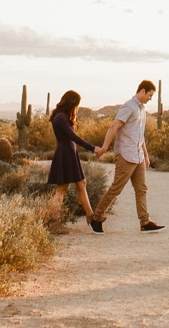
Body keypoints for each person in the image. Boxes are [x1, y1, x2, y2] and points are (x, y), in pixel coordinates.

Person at [93, 79, 165, 233]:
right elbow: (114, 126)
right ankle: (96, 218)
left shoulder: (141, 110)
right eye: (150, 95)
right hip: (126, 154)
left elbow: (140, 135)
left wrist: (146, 155)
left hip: (138, 155)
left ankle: (145, 222)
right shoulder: (129, 107)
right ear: (142, 91)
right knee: (116, 189)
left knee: (141, 189)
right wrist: (105, 147)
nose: (150, 99)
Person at [46, 89, 101, 231]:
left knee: (81, 183)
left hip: (70, 152)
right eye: (76, 104)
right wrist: (93, 148)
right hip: (65, 152)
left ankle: (91, 217)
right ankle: (54, 222)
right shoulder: (60, 117)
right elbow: (73, 136)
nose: (76, 107)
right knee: (61, 189)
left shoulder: (64, 116)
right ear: (71, 102)